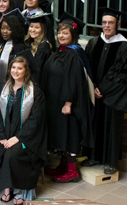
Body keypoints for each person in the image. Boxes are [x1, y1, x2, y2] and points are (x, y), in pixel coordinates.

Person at [41, 13, 94, 183]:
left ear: (73, 35)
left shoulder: (73, 54)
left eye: (65, 33)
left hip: (68, 104)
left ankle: (72, 171)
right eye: (59, 33)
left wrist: (68, 103)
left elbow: (73, 81)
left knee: (70, 133)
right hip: (56, 102)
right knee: (62, 133)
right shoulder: (61, 51)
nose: (61, 36)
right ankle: (63, 165)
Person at [83, 8, 127, 175]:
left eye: (111, 23)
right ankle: (93, 157)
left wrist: (102, 89)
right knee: (94, 125)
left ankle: (110, 162)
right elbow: (86, 67)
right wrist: (92, 87)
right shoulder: (93, 43)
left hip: (112, 96)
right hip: (95, 94)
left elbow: (121, 73)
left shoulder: (125, 47)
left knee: (112, 128)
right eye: (104, 22)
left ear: (118, 25)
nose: (107, 26)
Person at [0, 56, 47, 203]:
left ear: (26, 71)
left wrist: (18, 138)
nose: (15, 71)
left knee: (12, 154)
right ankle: (7, 188)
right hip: (6, 135)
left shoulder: (35, 93)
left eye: (19, 68)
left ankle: (20, 191)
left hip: (27, 138)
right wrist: (1, 136)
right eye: (13, 67)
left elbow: (35, 121)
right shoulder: (4, 90)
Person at [0, 10, 26, 94]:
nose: (4, 31)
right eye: (3, 28)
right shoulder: (0, 46)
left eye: (9, 29)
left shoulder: (20, 48)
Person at [23, 13, 55, 83]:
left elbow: (37, 71)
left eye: (37, 27)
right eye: (31, 26)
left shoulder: (43, 47)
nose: (33, 30)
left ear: (43, 29)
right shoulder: (32, 43)